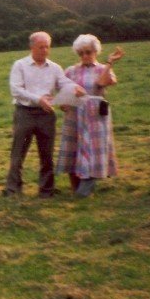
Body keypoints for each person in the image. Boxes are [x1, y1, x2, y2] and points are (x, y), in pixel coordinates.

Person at [5, 31, 85, 198]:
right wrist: (38, 99)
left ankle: (46, 190)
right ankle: (13, 190)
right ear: (32, 47)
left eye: (47, 47)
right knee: (18, 153)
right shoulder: (20, 65)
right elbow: (16, 90)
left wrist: (75, 88)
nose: (45, 50)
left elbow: (64, 83)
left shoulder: (54, 67)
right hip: (24, 113)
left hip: (46, 115)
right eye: (41, 47)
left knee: (47, 154)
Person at [55, 35, 125, 198]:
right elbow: (63, 90)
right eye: (81, 53)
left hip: (95, 114)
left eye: (88, 52)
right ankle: (76, 188)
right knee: (73, 149)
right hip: (75, 113)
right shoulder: (71, 71)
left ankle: (85, 189)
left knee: (94, 149)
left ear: (95, 52)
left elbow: (101, 83)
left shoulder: (102, 68)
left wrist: (109, 63)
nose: (85, 56)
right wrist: (63, 103)